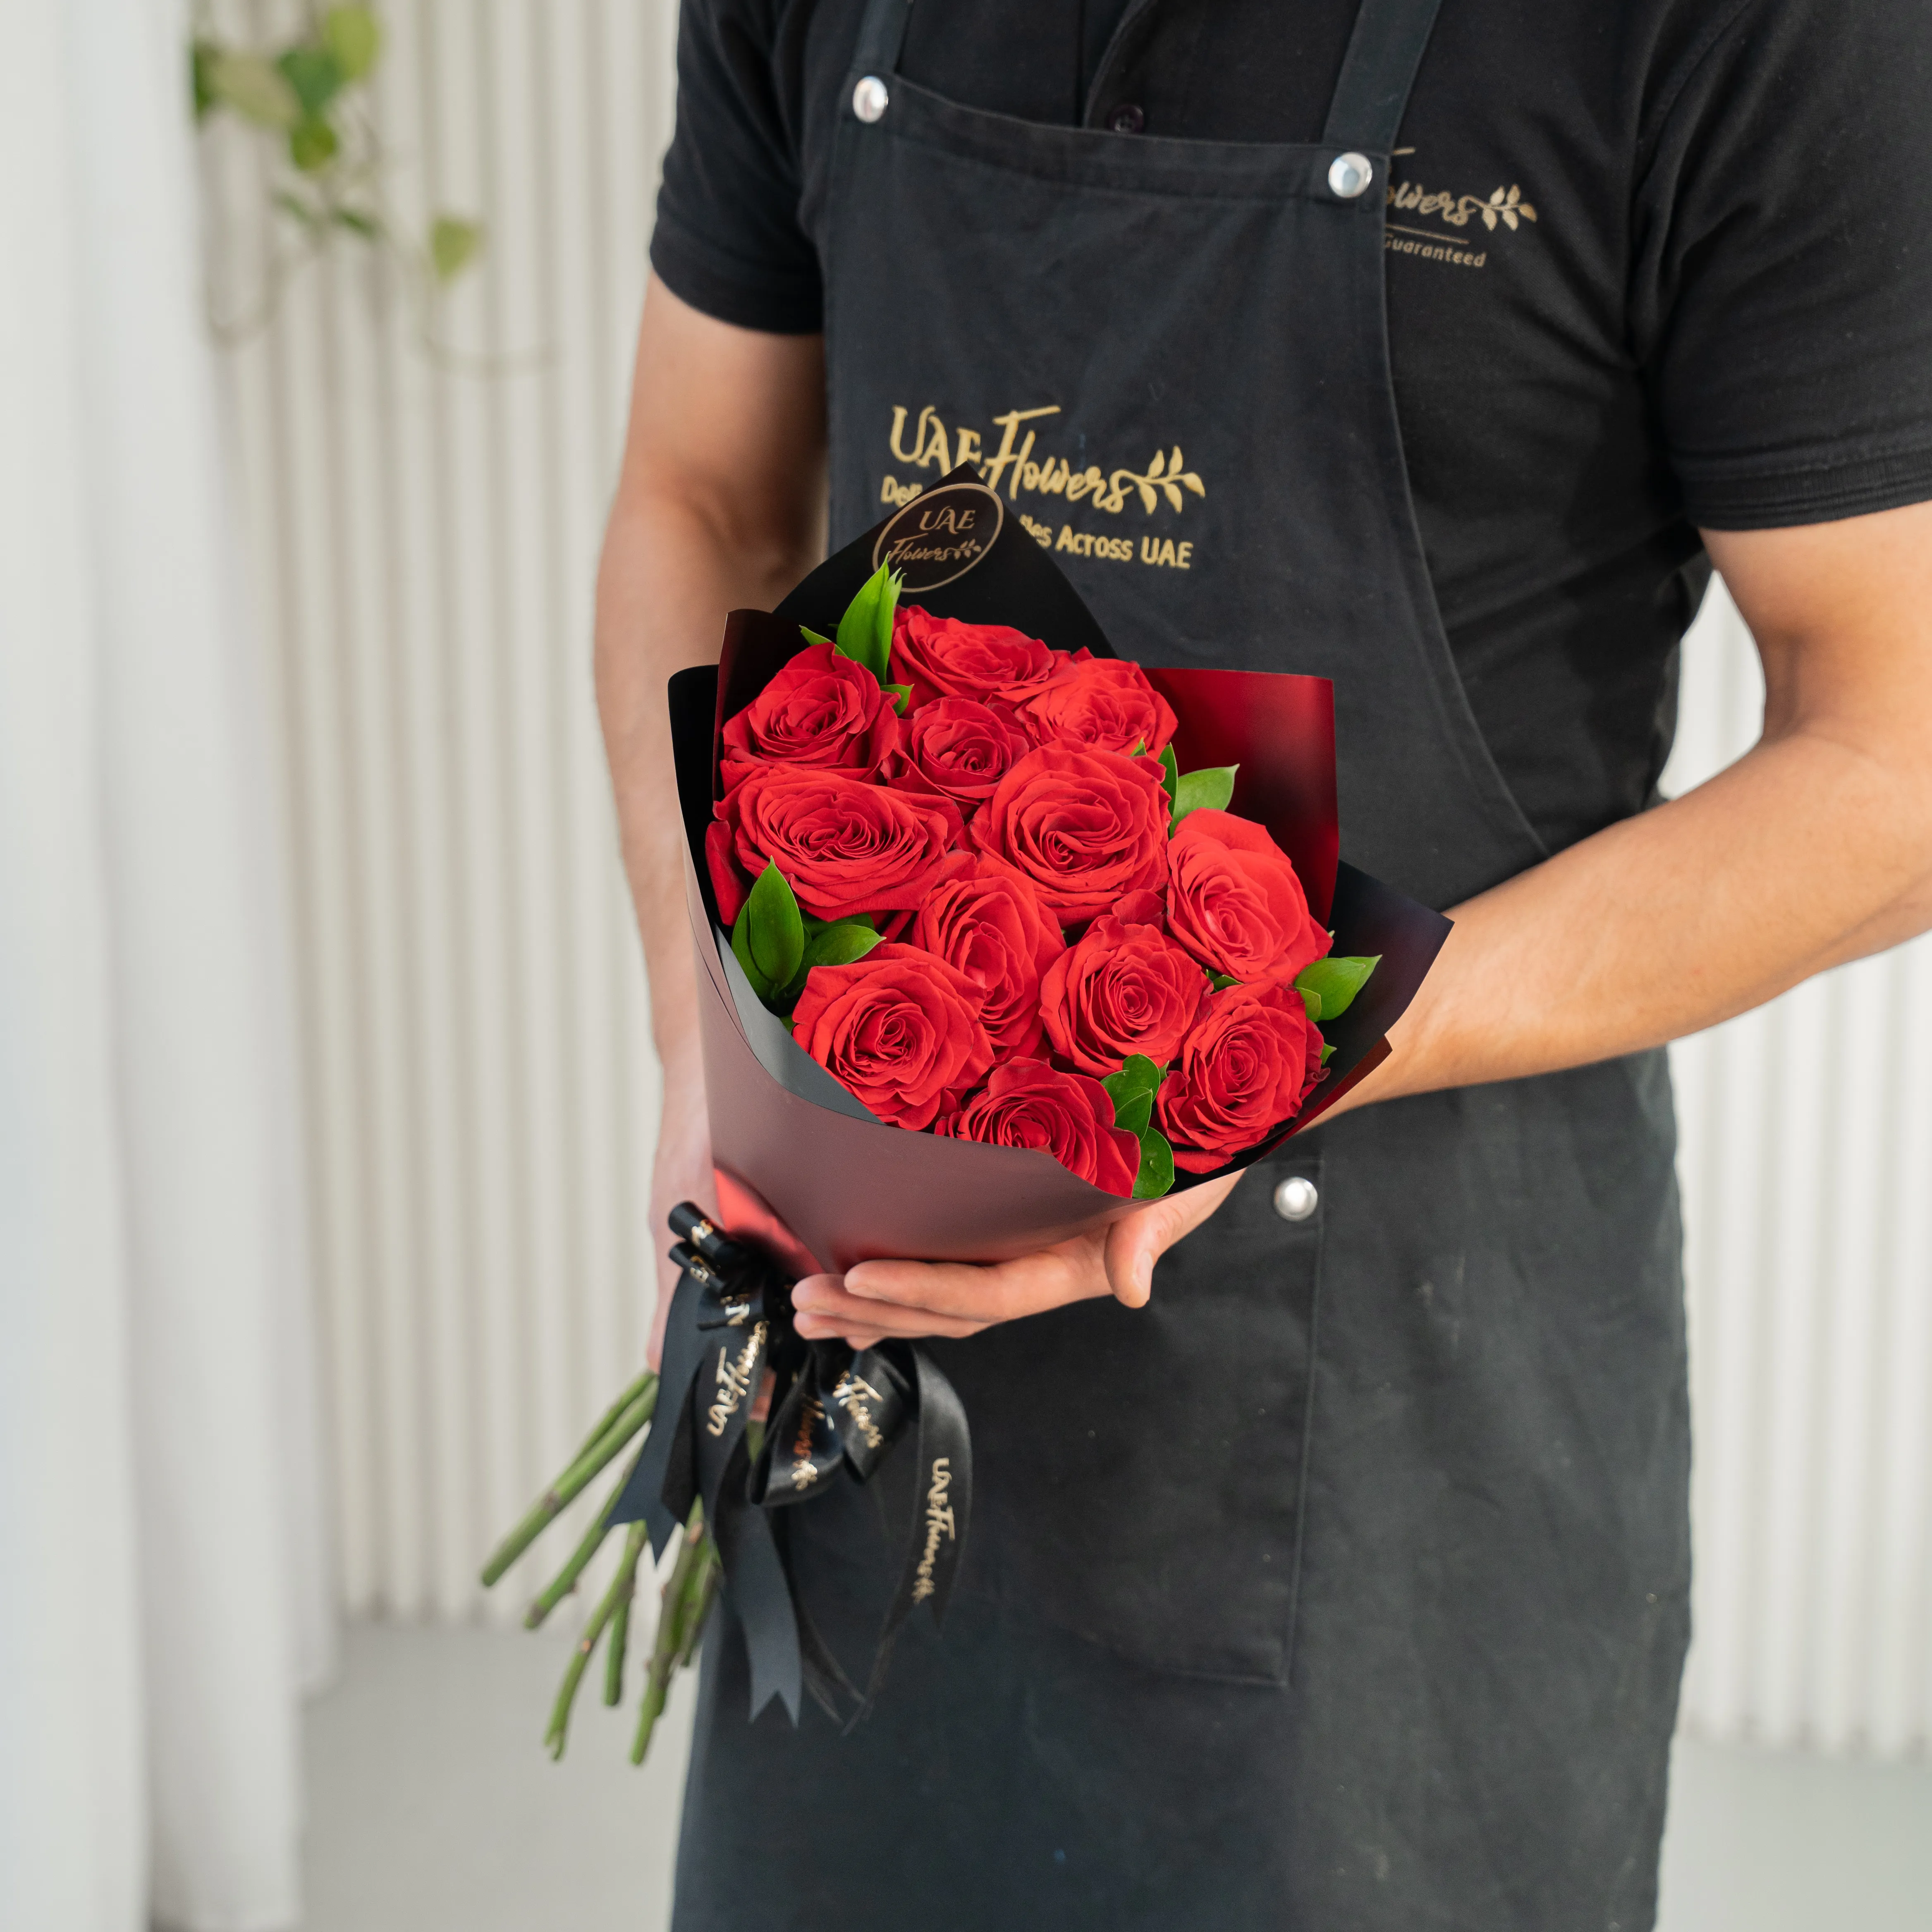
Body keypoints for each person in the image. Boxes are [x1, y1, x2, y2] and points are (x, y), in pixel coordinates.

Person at [593, 2, 1932, 1925]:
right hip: (853, 1324)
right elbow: (700, 495)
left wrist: (1273, 1036)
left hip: (1407, 1406)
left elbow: (1892, 752)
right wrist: (705, 1046)